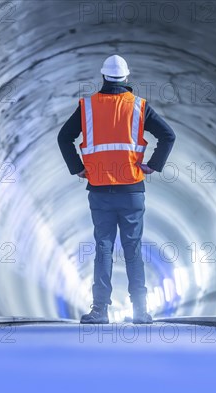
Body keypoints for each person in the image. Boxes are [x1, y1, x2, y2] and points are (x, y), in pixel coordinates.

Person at [57, 55, 176, 324]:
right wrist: (153, 165)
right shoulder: (138, 107)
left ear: (103, 77)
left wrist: (77, 167)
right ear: (126, 78)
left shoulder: (87, 107)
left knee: (104, 248)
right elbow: (168, 135)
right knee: (133, 250)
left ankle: (100, 310)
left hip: (99, 190)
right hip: (132, 189)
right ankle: (140, 311)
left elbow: (64, 137)